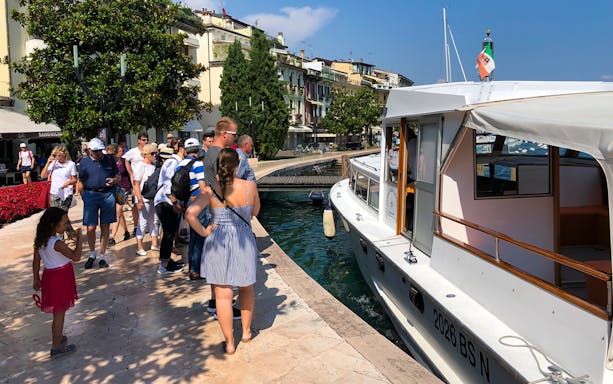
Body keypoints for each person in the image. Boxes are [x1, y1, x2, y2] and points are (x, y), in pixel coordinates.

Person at [185, 148, 260, 355]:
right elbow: (255, 212)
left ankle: (229, 343)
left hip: (217, 239)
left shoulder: (210, 190)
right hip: (243, 238)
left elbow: (190, 214)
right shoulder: (249, 186)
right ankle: (245, 332)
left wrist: (204, 231)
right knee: (246, 288)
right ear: (238, 165)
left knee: (223, 295)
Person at [32, 207, 83, 358]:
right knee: (59, 314)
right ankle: (56, 347)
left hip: (50, 277)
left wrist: (36, 278)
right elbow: (76, 257)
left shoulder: (40, 241)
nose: (65, 227)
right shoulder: (57, 243)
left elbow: (36, 262)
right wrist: (80, 239)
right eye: (63, 224)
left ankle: (58, 337)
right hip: (60, 278)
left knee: (58, 312)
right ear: (53, 225)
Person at [77, 138, 120, 269]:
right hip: (90, 194)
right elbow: (80, 182)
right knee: (90, 227)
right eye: (95, 151)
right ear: (90, 150)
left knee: (105, 226)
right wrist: (83, 196)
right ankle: (91, 254)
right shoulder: (84, 163)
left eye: (100, 150)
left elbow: (118, 176)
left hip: (107, 194)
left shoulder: (110, 159)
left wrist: (113, 180)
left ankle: (102, 255)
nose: (98, 153)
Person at [177, 138, 207, 280]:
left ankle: (192, 267)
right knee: (199, 235)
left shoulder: (180, 164)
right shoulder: (198, 164)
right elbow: (202, 186)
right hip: (197, 201)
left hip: (186, 201)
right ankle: (196, 270)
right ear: (197, 150)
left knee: (193, 235)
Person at [154, 145, 185, 274]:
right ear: (182, 150)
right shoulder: (173, 162)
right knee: (168, 233)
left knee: (169, 233)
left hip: (163, 202)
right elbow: (168, 186)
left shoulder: (172, 162)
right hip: (166, 202)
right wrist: (174, 203)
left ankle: (167, 261)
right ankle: (164, 265)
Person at [40, 145, 78, 238]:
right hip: (54, 193)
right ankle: (71, 233)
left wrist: (68, 183)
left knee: (61, 215)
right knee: (55, 216)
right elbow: (43, 176)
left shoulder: (71, 164)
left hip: (66, 193)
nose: (56, 157)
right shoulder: (53, 164)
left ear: (64, 154)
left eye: (58, 155)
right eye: (55, 155)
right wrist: (48, 163)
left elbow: (75, 180)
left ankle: (60, 240)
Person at [132, 144, 160, 255]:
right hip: (143, 197)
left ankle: (154, 244)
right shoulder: (140, 166)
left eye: (155, 153)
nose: (154, 155)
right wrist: (139, 199)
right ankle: (139, 246)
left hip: (153, 197)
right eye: (152, 153)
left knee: (155, 220)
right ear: (146, 154)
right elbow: (136, 184)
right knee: (143, 222)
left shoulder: (154, 166)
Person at [122, 132, 148, 235]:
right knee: (136, 204)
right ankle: (136, 225)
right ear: (138, 140)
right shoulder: (133, 151)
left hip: (147, 182)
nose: (145, 142)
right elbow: (126, 160)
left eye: (146, 140)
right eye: (143, 140)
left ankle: (146, 225)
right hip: (136, 182)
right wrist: (131, 173)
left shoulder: (149, 151)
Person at [107, 144, 131, 246]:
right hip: (113, 189)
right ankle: (126, 232)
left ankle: (112, 237)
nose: (109, 156)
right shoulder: (108, 163)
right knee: (120, 213)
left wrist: (134, 187)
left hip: (123, 189)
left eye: (111, 154)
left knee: (117, 211)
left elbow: (131, 174)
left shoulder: (124, 161)